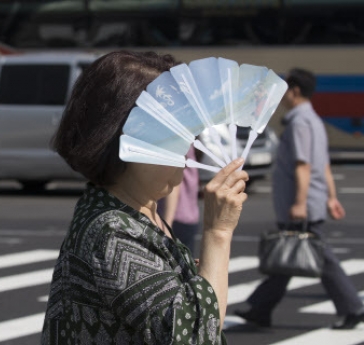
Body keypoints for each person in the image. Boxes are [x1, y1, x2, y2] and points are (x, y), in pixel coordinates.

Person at [41, 51, 249, 345]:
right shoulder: (111, 230)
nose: (188, 147)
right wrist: (218, 233)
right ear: (126, 140)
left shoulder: (136, 208)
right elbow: (194, 338)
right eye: (173, 133)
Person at [235, 68, 364, 330]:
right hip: (312, 200)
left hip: (301, 203)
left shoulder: (299, 123)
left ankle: (352, 307)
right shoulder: (313, 119)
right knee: (290, 254)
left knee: (317, 256)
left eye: (284, 89)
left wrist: (299, 203)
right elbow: (324, 164)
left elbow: (303, 165)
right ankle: (260, 307)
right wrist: (331, 197)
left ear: (294, 91)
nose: (281, 96)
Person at [159, 145, 200, 254]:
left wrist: (167, 224)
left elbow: (174, 182)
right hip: (187, 213)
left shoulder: (176, 138)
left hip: (175, 215)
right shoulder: (184, 136)